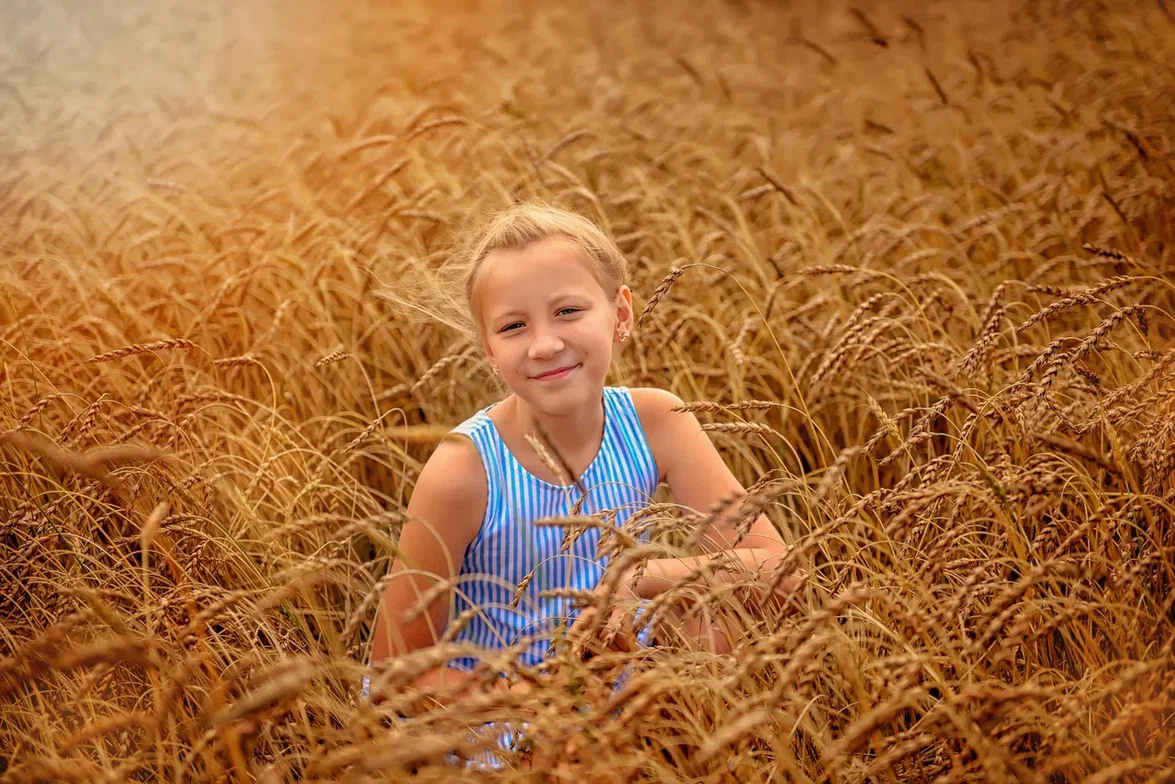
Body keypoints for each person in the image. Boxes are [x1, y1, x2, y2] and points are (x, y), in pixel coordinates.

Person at [365, 202, 804, 767]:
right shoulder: (464, 469)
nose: (544, 344)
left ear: (620, 313)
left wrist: (637, 578)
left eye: (568, 311)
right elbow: (394, 673)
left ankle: (664, 751)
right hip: (500, 709)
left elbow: (781, 567)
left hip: (617, 671)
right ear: (489, 349)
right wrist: (550, 702)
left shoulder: (655, 422)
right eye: (513, 325)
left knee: (735, 615)